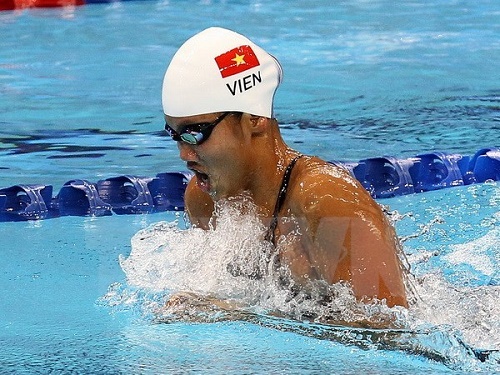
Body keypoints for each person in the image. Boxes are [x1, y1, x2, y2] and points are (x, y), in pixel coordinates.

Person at [162, 27, 408, 308]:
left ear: (254, 118)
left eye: (196, 132)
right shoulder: (204, 199)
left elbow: (390, 326)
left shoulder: (324, 199)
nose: (184, 153)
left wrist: (242, 315)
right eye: (175, 134)